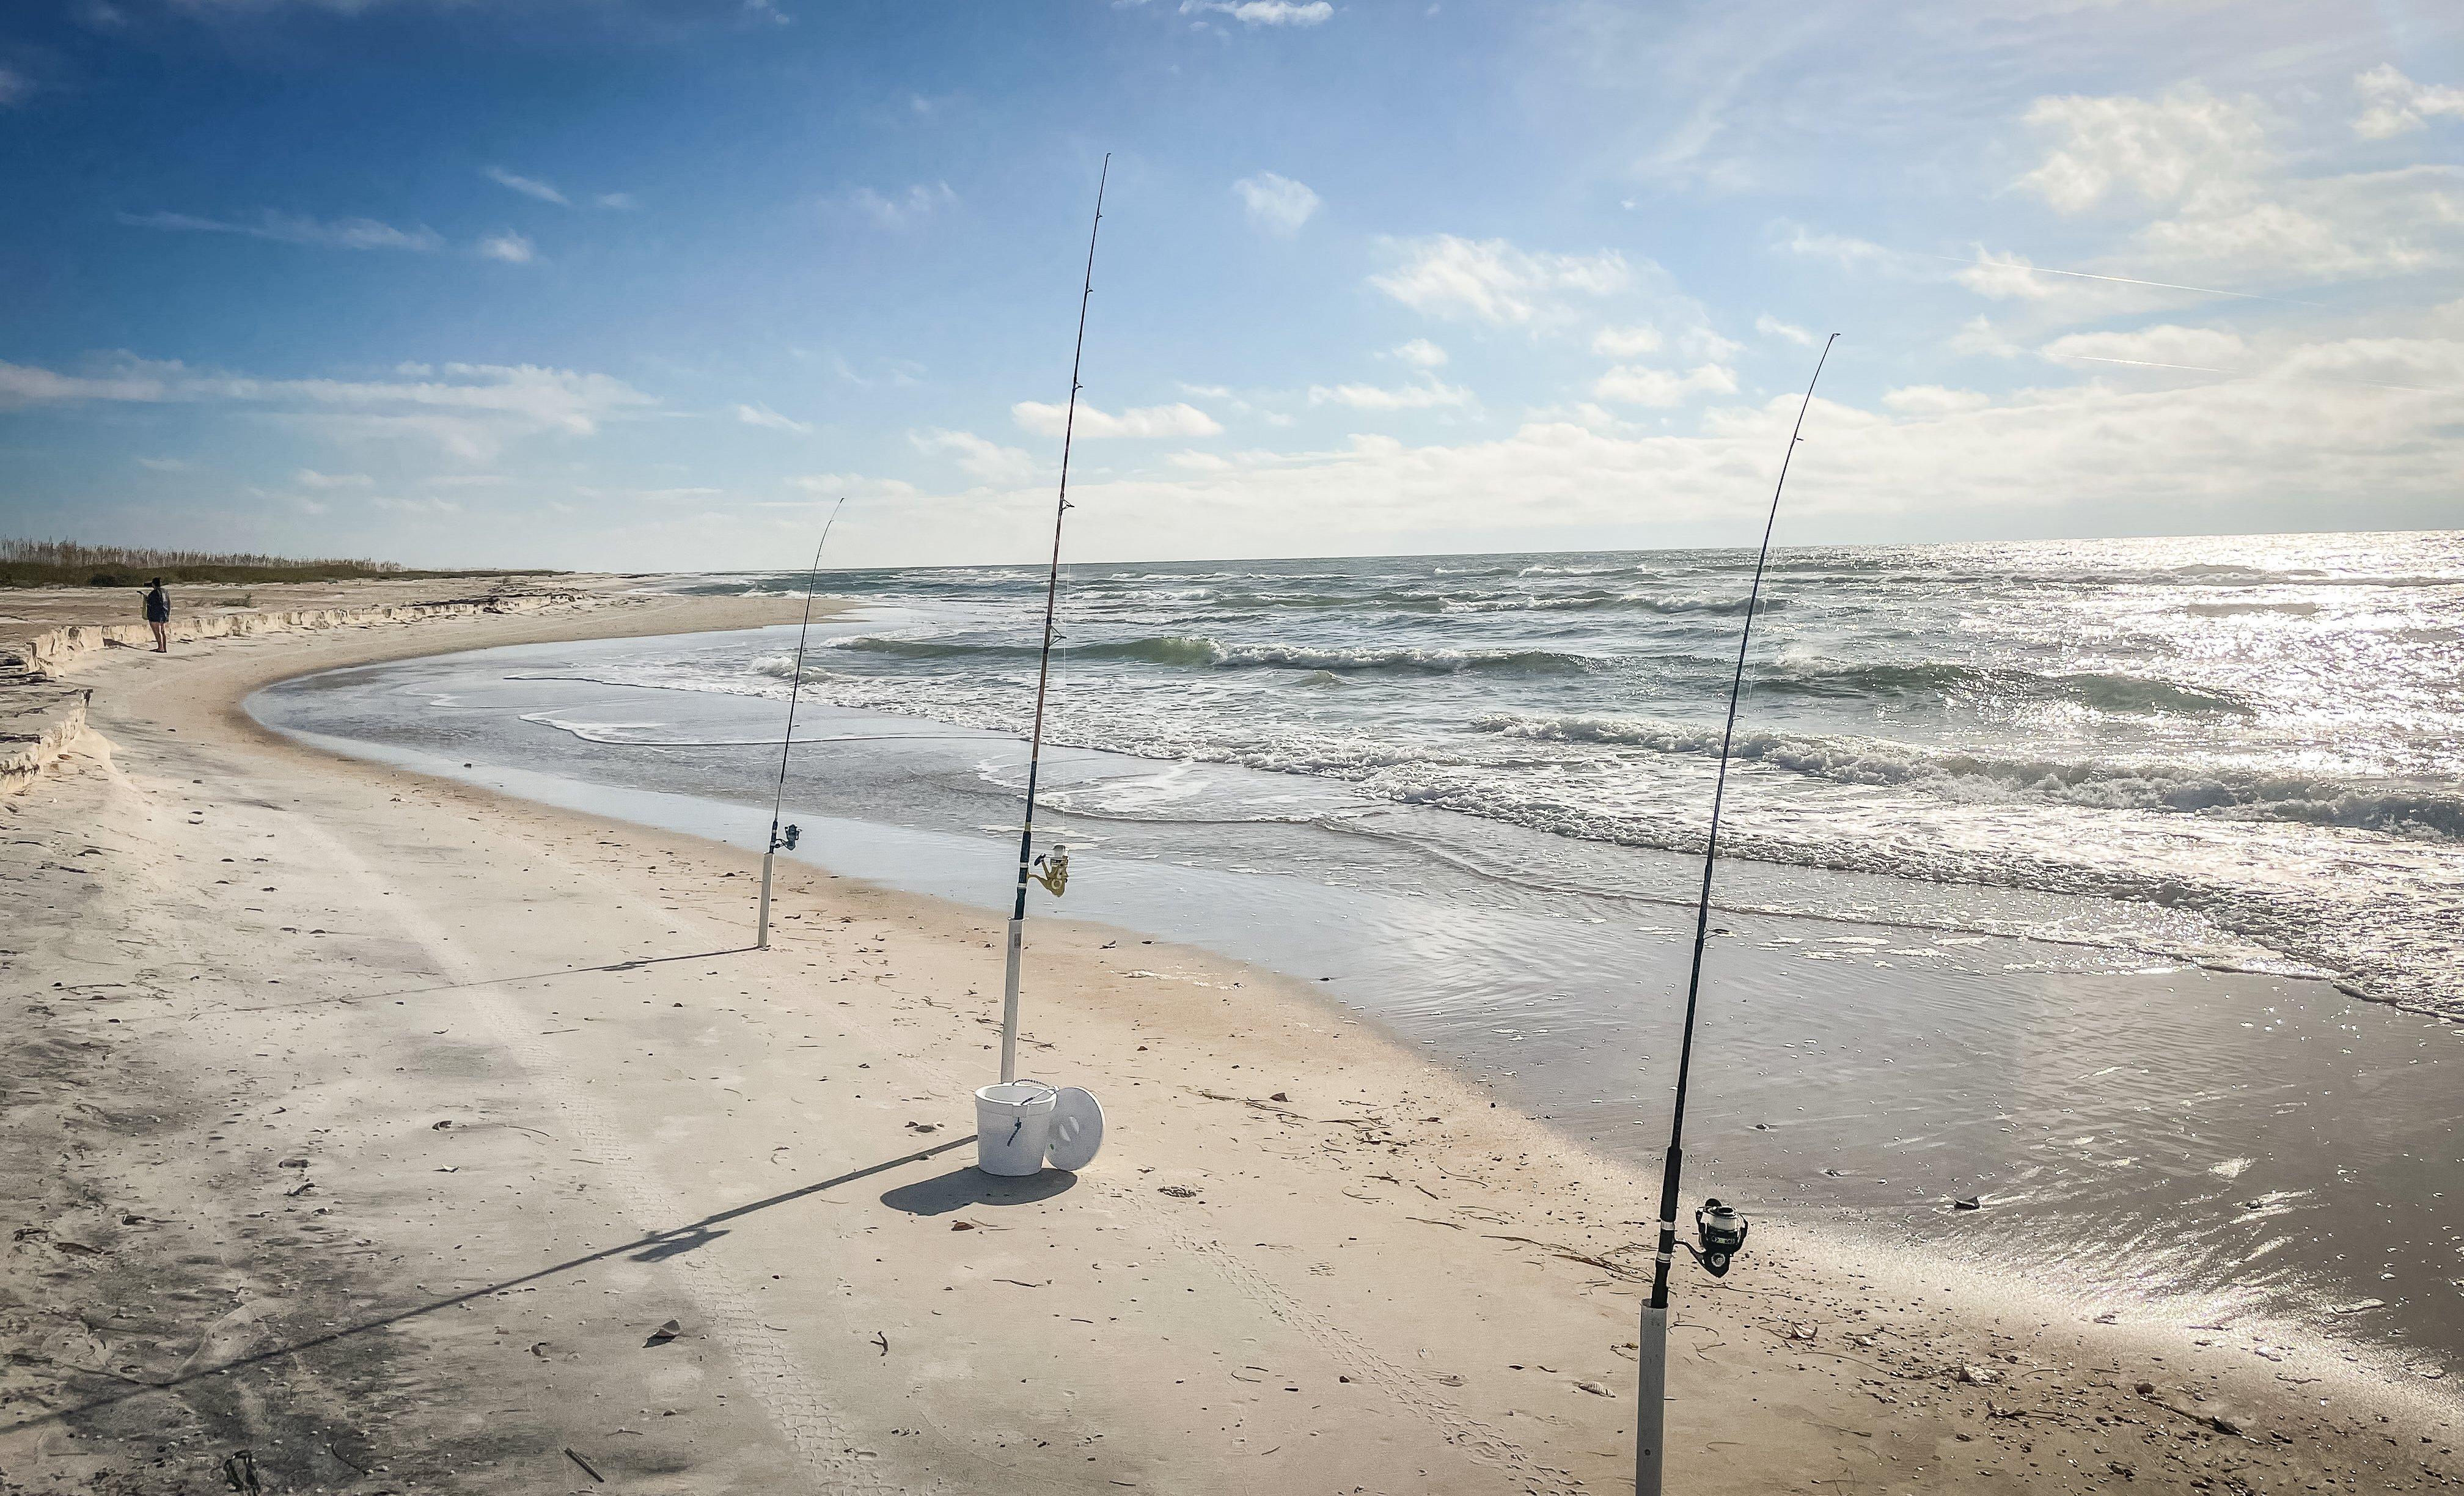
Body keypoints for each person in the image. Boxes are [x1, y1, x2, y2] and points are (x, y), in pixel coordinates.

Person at [142, 578, 170, 653]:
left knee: (157, 632)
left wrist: (146, 599)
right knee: (162, 632)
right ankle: (164, 648)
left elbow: (150, 604)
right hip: (164, 614)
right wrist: (167, 614)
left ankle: (160, 648)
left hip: (155, 615)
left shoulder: (153, 593)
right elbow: (168, 603)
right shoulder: (165, 592)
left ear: (153, 584)